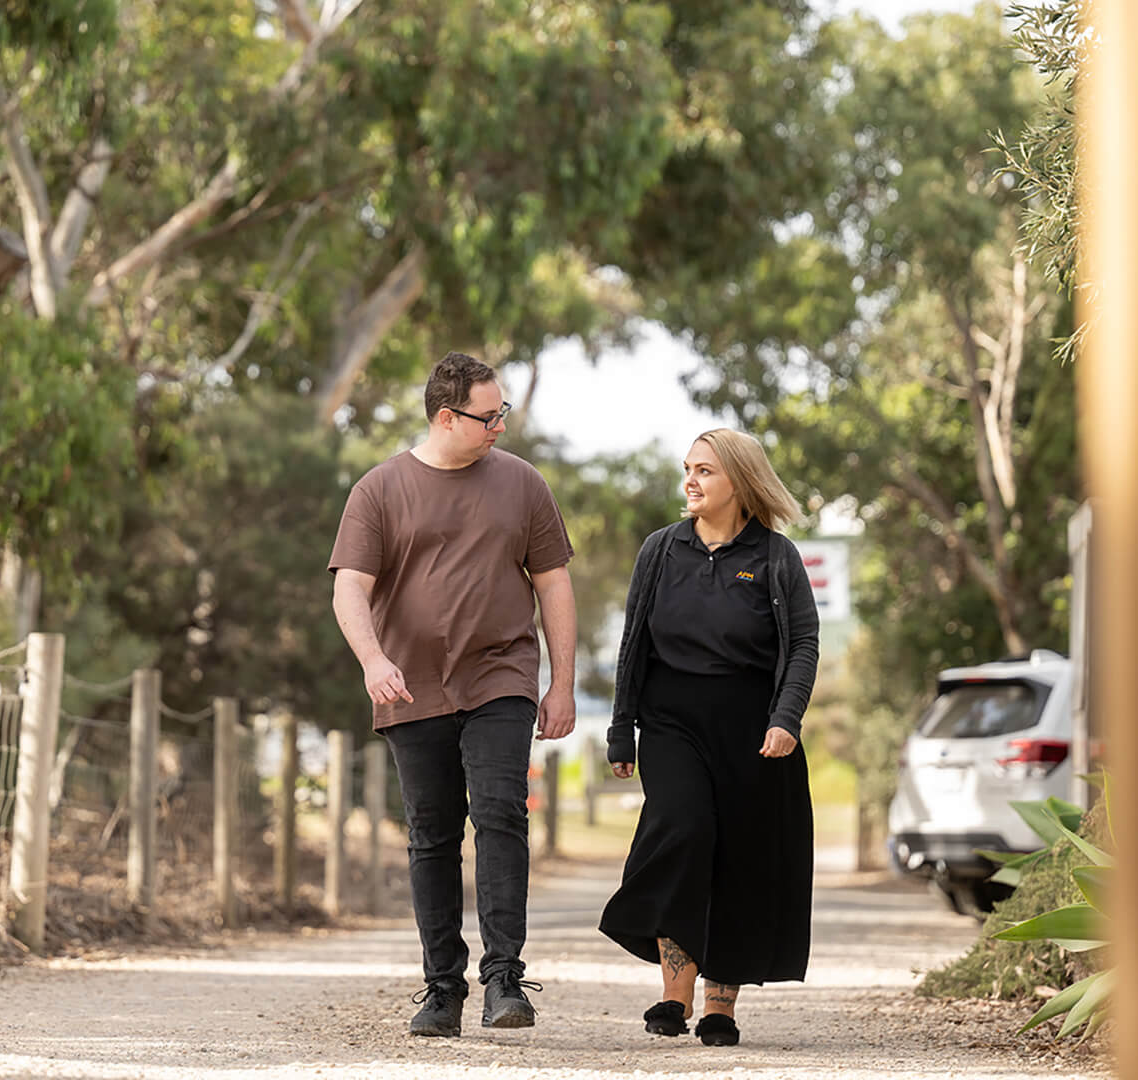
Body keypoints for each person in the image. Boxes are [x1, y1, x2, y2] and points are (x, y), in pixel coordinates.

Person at [328, 351, 579, 1037]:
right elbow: (350, 585)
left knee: (500, 811)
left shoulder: (523, 484)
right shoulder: (379, 490)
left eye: (503, 412)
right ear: (447, 416)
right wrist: (373, 659)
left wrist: (561, 682)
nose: (501, 424)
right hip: (409, 685)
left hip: (501, 674)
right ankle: (443, 988)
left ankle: (504, 978)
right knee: (431, 835)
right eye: (489, 415)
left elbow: (552, 581)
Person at [597, 427, 820, 1048]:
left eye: (705, 471)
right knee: (684, 830)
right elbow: (633, 643)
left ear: (741, 483)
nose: (690, 481)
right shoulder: (661, 550)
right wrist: (622, 731)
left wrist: (786, 719)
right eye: (688, 469)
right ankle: (675, 994)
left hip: (753, 728)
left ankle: (720, 1004)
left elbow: (802, 644)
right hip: (671, 722)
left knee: (740, 858)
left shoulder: (776, 558)